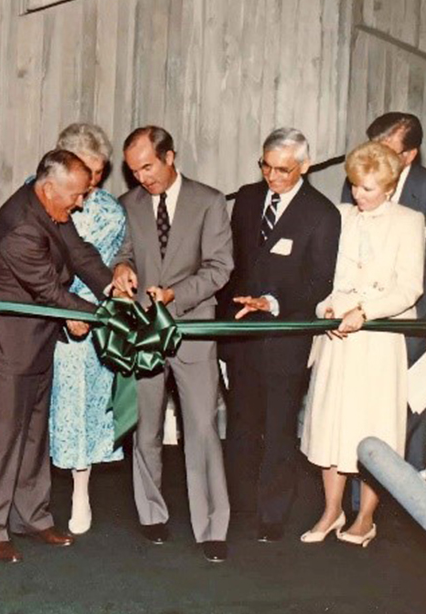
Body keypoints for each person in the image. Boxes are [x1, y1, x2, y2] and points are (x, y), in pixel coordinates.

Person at [0, 149, 112, 564]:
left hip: (37, 344)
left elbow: (81, 253)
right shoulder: (20, 228)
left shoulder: (50, 209)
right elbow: (49, 292)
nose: (81, 203)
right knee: (1, 443)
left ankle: (32, 517)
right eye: (76, 195)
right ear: (50, 188)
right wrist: (103, 315)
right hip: (6, 351)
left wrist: (114, 289)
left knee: (34, 437)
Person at [111, 126, 233, 563]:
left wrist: (175, 295)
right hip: (143, 332)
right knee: (146, 426)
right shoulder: (128, 206)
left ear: (170, 157)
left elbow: (220, 268)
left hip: (193, 329)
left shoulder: (210, 201)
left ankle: (212, 526)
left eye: (148, 166)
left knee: (201, 427)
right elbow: (120, 253)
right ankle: (151, 513)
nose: (142, 177)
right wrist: (121, 271)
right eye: (133, 171)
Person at [219, 127, 341, 542]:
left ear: (304, 167)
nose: (272, 177)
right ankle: (239, 505)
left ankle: (272, 516)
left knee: (279, 428)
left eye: (283, 170)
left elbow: (319, 280)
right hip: (241, 336)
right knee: (240, 423)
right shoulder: (248, 200)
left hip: (285, 340)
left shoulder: (322, 214)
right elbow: (233, 265)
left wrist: (272, 303)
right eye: (266, 167)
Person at [300, 142, 424, 547]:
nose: (358, 195)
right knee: (330, 426)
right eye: (354, 185)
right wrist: (325, 309)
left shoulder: (410, 222)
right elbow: (321, 276)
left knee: (374, 427)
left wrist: (365, 312)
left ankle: (366, 517)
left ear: (389, 186)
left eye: (368, 188)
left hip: (377, 339)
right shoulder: (338, 216)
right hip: (337, 339)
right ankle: (331, 511)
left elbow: (409, 288)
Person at [47, 123, 125, 535]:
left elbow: (103, 269)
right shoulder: (34, 195)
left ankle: (81, 491)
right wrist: (61, 311)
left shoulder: (112, 212)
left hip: (87, 325)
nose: (94, 180)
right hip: (41, 320)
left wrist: (87, 311)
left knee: (83, 408)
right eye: (87, 171)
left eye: (100, 171)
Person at [341, 113, 426, 472]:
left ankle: (408, 501)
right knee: (362, 411)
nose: (375, 154)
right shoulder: (357, 184)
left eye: (387, 148)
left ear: (409, 155)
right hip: (363, 321)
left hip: (414, 321)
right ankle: (363, 506)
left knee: (409, 413)